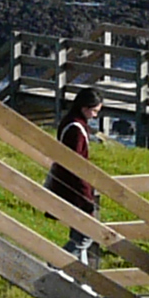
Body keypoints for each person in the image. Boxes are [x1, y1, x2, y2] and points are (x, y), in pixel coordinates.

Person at [46, 86, 105, 267]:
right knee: (85, 237)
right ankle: (56, 265)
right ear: (84, 107)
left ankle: (81, 280)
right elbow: (77, 167)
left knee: (79, 234)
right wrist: (86, 197)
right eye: (94, 111)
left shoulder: (68, 122)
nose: (95, 116)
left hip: (66, 184)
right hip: (74, 188)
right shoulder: (76, 130)